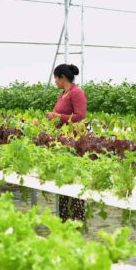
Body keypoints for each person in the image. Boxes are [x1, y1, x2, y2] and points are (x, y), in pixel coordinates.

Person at [47, 63, 87, 221]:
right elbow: (61, 114)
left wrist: (57, 117)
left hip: (73, 142)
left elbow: (80, 116)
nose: (55, 81)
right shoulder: (63, 94)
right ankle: (64, 218)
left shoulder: (77, 93)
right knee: (63, 179)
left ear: (63, 78)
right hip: (62, 140)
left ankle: (76, 220)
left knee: (73, 178)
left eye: (56, 78)